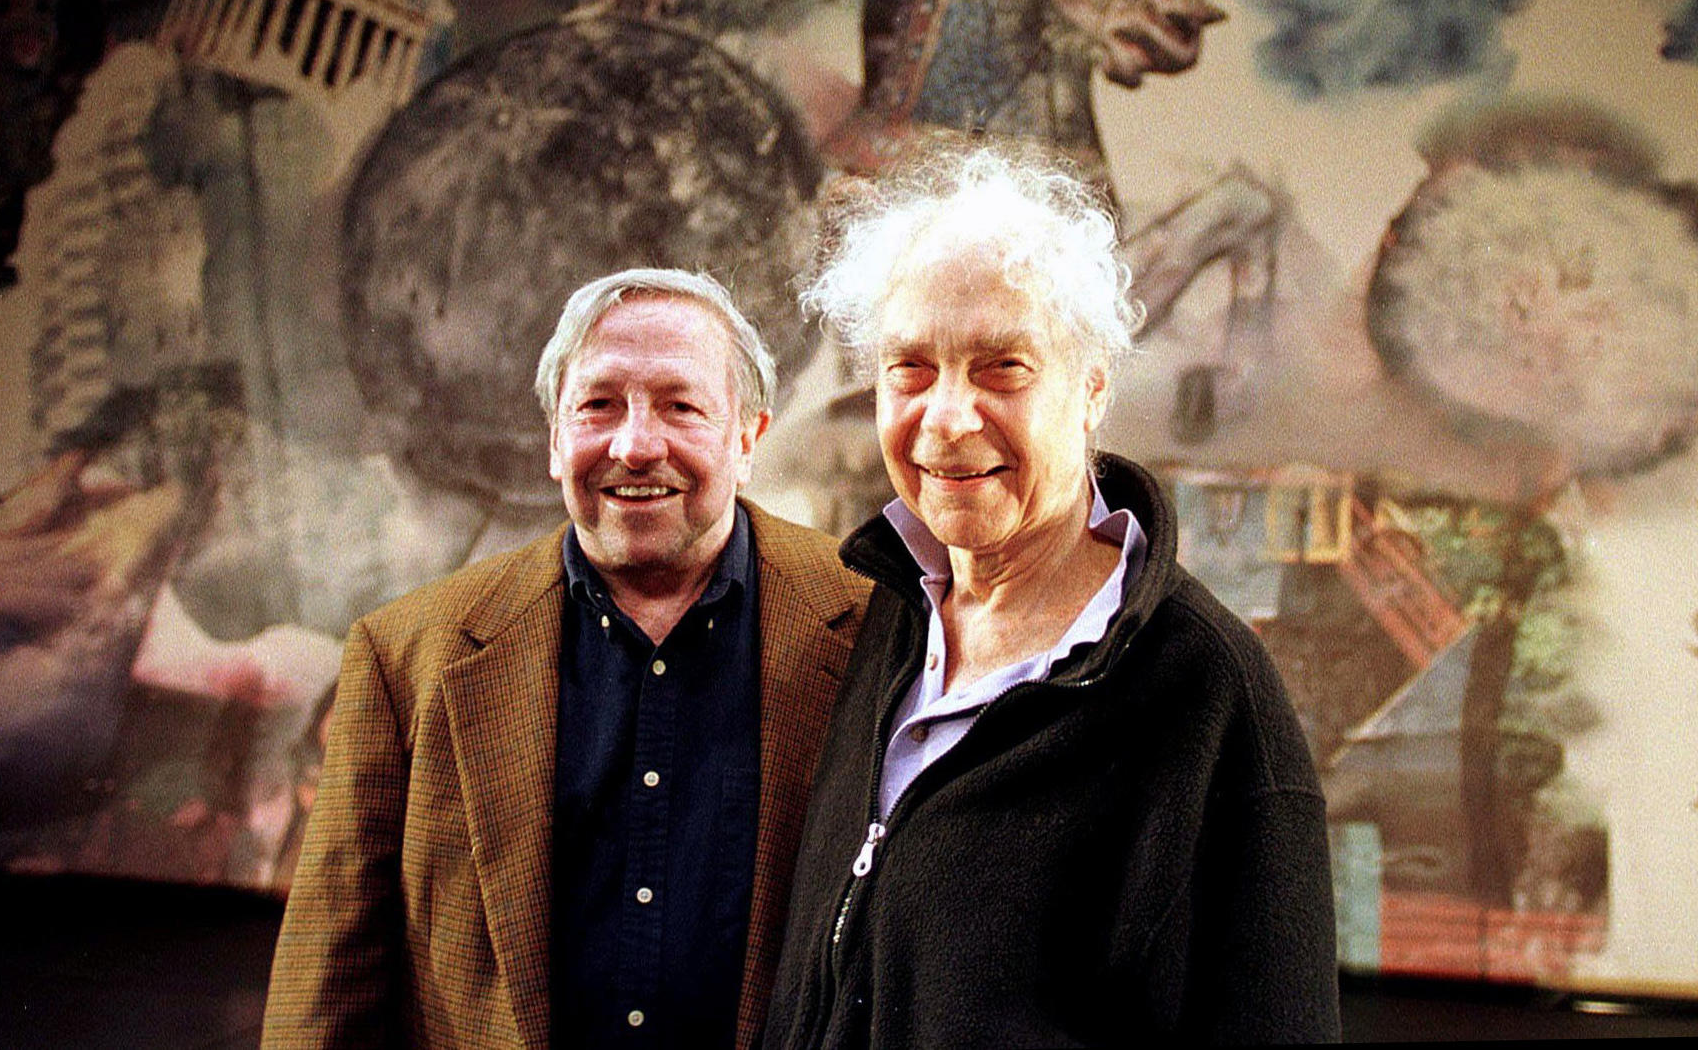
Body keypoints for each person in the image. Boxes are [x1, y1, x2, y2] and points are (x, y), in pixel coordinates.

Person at [765, 151, 1340, 1048]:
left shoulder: (1205, 693)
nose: (948, 417)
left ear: (1092, 385)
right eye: (910, 367)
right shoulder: (882, 626)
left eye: (1002, 365)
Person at [262, 269, 869, 1050]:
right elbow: (326, 986)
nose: (635, 444)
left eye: (681, 406)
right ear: (555, 439)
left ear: (747, 436)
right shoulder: (404, 657)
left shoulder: (872, 626)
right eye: (598, 405)